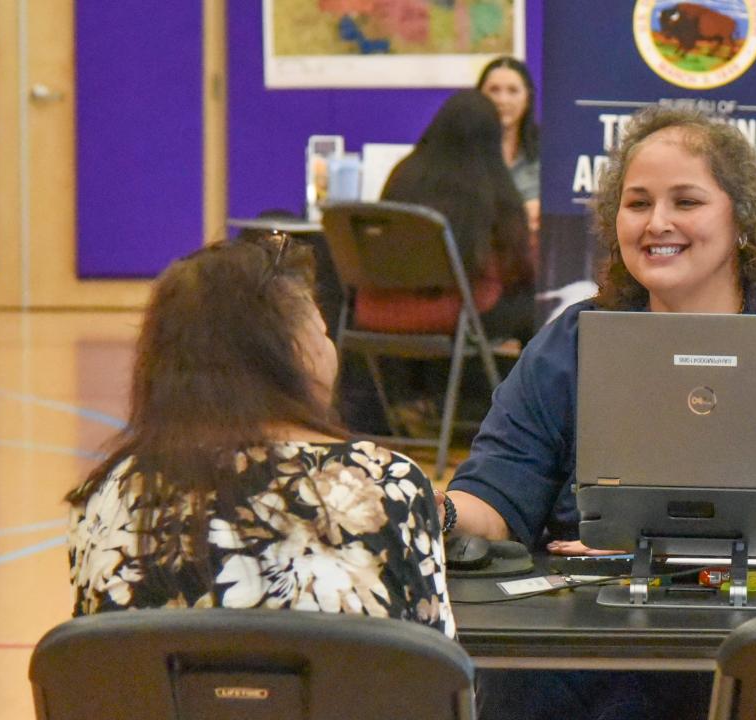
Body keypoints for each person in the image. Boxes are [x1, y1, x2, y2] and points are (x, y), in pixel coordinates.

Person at [442, 106, 756, 720]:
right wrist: (425, 509)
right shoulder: (575, 338)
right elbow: (495, 496)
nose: (657, 223)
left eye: (686, 201)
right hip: (598, 642)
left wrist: (714, 543)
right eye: (637, 204)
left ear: (742, 220)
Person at [66, 235, 453, 637]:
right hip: (344, 702)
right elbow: (439, 673)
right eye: (322, 333)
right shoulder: (389, 484)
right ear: (296, 355)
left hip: (167, 701)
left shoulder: (108, 495)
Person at [354, 89, 535, 346]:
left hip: (379, 312)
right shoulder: (493, 188)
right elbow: (514, 266)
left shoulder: (403, 175)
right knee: (532, 302)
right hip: (452, 315)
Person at [477, 56, 541, 234]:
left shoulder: (548, 150)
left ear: (528, 98)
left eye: (513, 91)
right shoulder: (465, 150)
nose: (502, 100)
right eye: (494, 90)